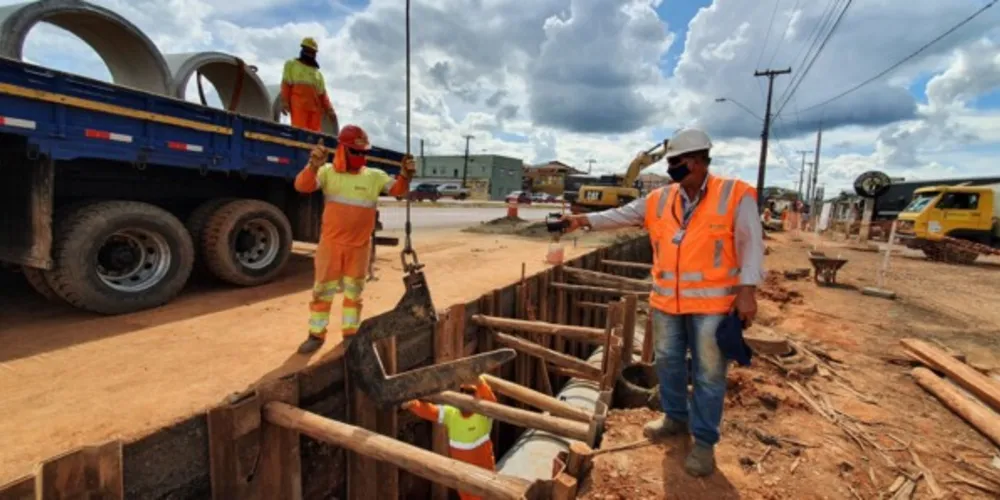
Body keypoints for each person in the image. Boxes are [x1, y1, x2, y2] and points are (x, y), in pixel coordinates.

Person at [559, 128, 764, 477]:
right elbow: (621, 214)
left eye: (676, 161)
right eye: (670, 162)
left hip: (713, 305)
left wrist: (747, 291)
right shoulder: (660, 199)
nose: (671, 168)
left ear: (696, 161)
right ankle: (674, 417)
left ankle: (704, 441)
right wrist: (583, 220)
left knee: (709, 373)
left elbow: (751, 244)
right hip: (667, 302)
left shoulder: (734, 194)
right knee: (668, 362)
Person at [293, 124, 414, 354]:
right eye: (355, 152)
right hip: (331, 246)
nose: (360, 156)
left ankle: (350, 333)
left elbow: (398, 190)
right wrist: (312, 166)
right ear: (342, 149)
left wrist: (405, 175)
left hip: (359, 247)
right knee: (322, 292)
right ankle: (316, 335)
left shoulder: (374, 176)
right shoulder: (327, 172)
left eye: (363, 152)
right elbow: (302, 185)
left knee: (354, 294)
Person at [402, 377, 497, 500]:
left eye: (470, 392)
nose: (466, 396)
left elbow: (491, 402)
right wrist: (413, 404)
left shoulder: (483, 415)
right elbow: (431, 411)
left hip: (482, 473)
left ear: (478, 395)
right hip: (461, 473)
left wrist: (479, 382)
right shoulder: (451, 413)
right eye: (463, 391)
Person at [281, 37, 338, 132]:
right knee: (300, 132)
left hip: (315, 111)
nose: (310, 54)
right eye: (308, 51)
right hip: (299, 107)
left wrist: (330, 110)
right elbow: (286, 85)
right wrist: (284, 102)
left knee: (315, 135)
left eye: (313, 52)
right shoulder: (291, 65)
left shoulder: (318, 74)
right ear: (303, 50)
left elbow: (323, 95)